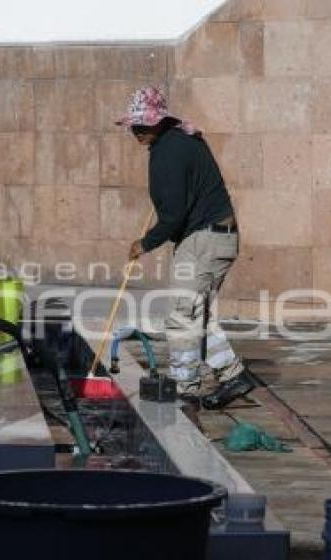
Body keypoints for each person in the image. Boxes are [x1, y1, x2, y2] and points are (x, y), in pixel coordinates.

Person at [115, 86, 255, 410]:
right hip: (213, 236)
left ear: (158, 122)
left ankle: (184, 387)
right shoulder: (176, 142)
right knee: (196, 311)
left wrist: (145, 243)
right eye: (134, 125)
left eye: (142, 124)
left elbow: (174, 215)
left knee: (182, 314)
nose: (136, 131)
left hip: (203, 239)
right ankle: (232, 373)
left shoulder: (170, 151)